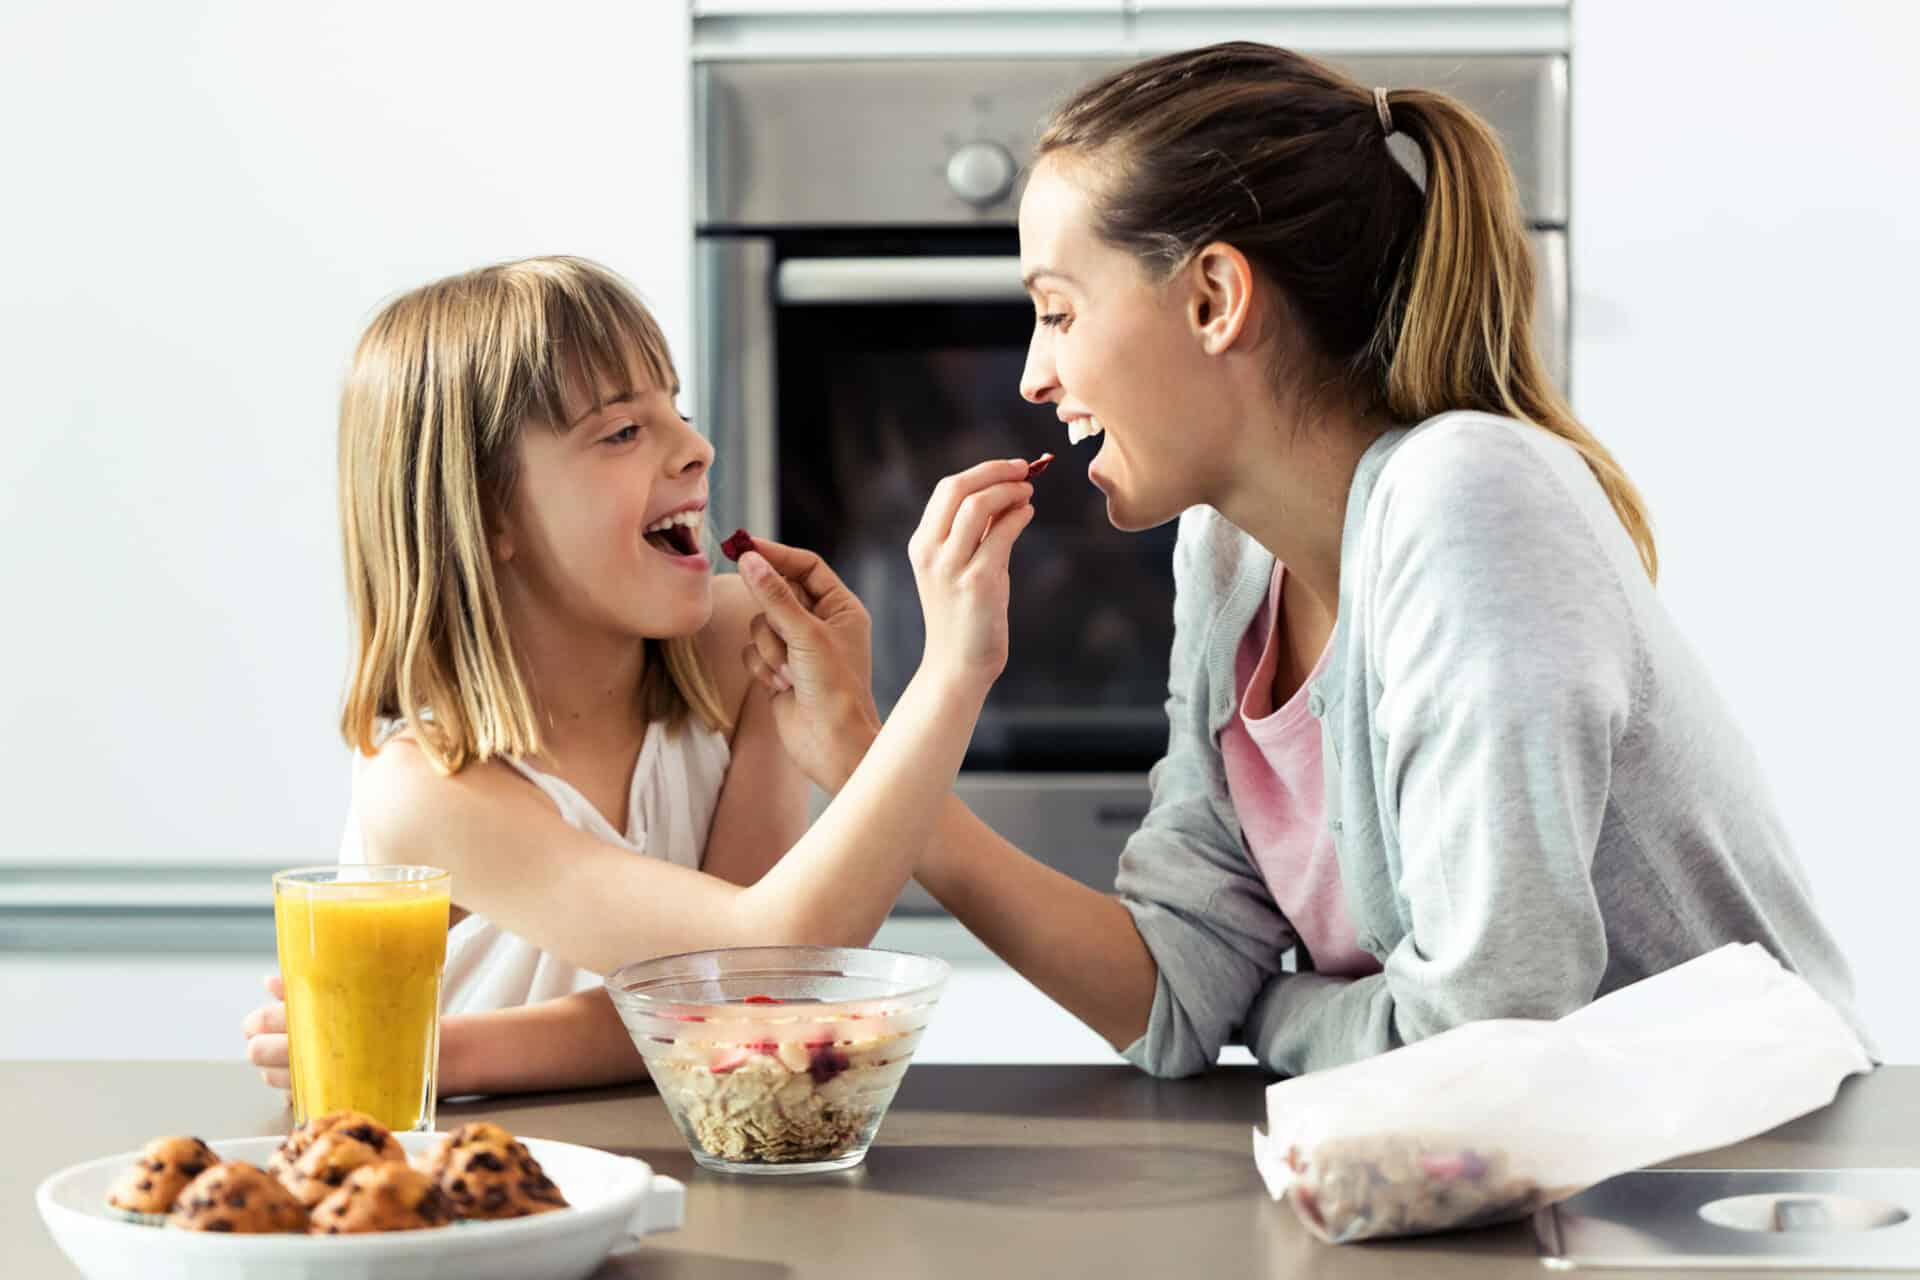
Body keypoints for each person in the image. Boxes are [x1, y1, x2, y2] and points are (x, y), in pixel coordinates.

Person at [740, 43, 1870, 1078]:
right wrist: (869, 750)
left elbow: (1482, 1041)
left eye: (1058, 309)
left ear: (1215, 298)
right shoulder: (1228, 556)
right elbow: (1181, 996)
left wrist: (1271, 1014)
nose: (1034, 375)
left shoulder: (1469, 499)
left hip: (1729, 1188)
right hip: (1502, 1195)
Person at [242, 256, 1037, 1096]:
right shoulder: (430, 786)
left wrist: (847, 729)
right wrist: (955, 671)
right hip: (481, 1182)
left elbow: (738, 1003)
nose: (697, 450)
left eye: (678, 412)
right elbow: (755, 971)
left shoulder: (737, 647)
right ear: (489, 511)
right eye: (623, 432)